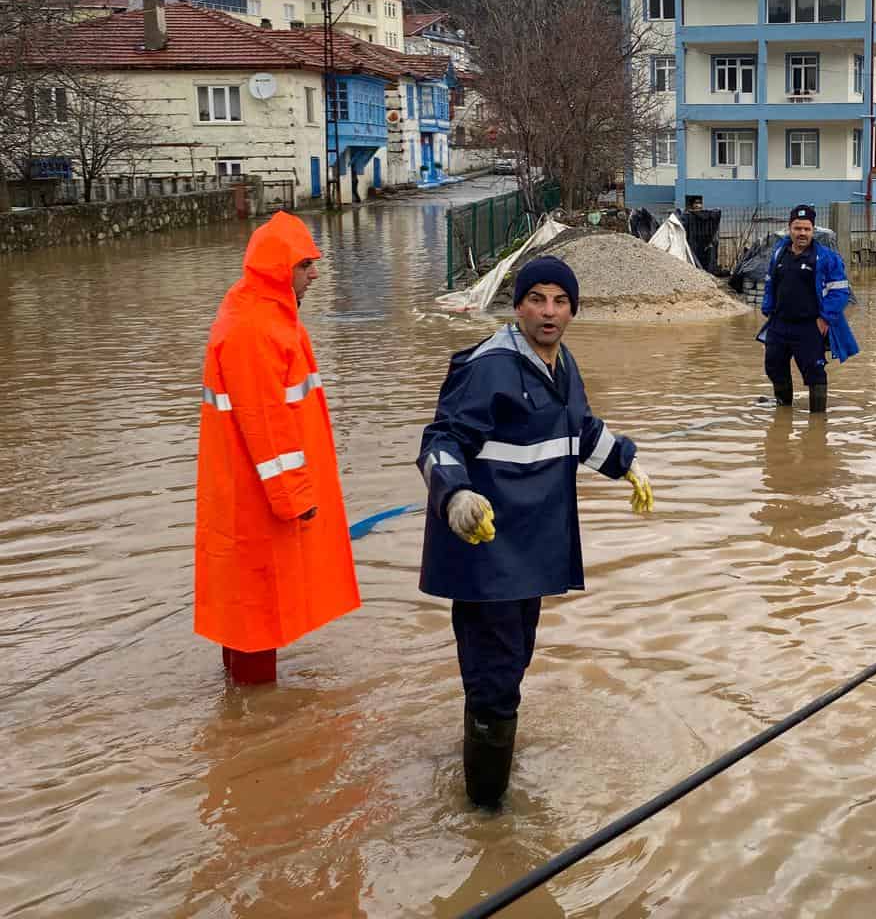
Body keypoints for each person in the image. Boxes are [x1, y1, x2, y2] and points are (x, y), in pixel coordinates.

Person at [416, 256, 654, 808]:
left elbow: (579, 430)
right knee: (496, 674)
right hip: (486, 547)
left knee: (511, 661)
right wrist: (456, 496)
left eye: (560, 301)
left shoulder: (561, 363)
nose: (549, 312)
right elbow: (440, 441)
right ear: (518, 305)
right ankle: (486, 816)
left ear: (574, 309)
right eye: (537, 300)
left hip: (531, 548)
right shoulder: (490, 366)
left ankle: (484, 761)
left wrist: (626, 464)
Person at [195, 211, 360, 685]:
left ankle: (242, 709)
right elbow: (265, 423)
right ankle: (255, 719)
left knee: (246, 608)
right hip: (258, 499)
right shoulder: (257, 328)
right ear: (279, 266)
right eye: (306, 263)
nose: (315, 273)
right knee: (256, 610)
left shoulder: (258, 313)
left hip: (248, 491)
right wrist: (296, 498)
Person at [759, 204, 858, 413]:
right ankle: (783, 409)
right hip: (779, 324)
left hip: (809, 326)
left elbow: (840, 292)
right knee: (774, 367)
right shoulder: (779, 253)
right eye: (797, 228)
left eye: (806, 229)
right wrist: (767, 308)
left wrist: (825, 318)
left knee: (814, 371)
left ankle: (818, 422)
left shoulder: (827, 258)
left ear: (813, 230)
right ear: (789, 228)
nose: (802, 233)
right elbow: (770, 283)